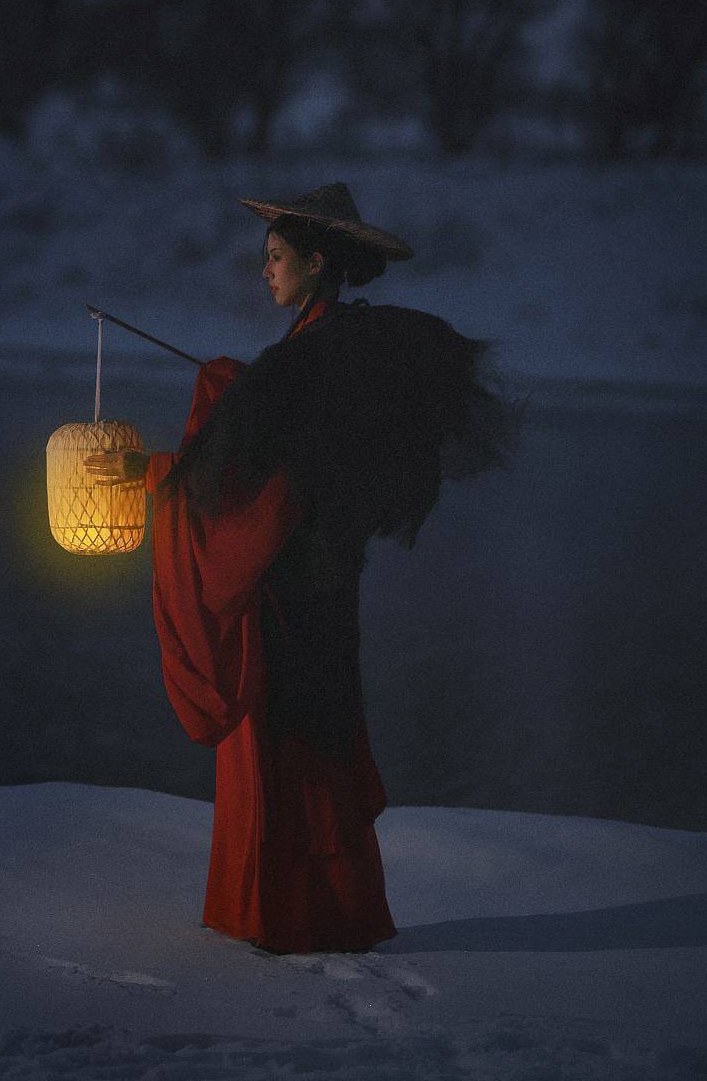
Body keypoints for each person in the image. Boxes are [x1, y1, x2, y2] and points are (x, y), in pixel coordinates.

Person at [86, 181, 522, 957]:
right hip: (326, 578)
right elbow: (276, 465)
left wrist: (167, 469)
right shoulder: (332, 353)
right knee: (315, 732)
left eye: (279, 257)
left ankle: (290, 918)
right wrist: (238, 395)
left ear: (320, 263)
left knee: (285, 737)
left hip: (291, 583)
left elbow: (268, 494)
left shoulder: (314, 360)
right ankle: (327, 914)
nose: (266, 271)